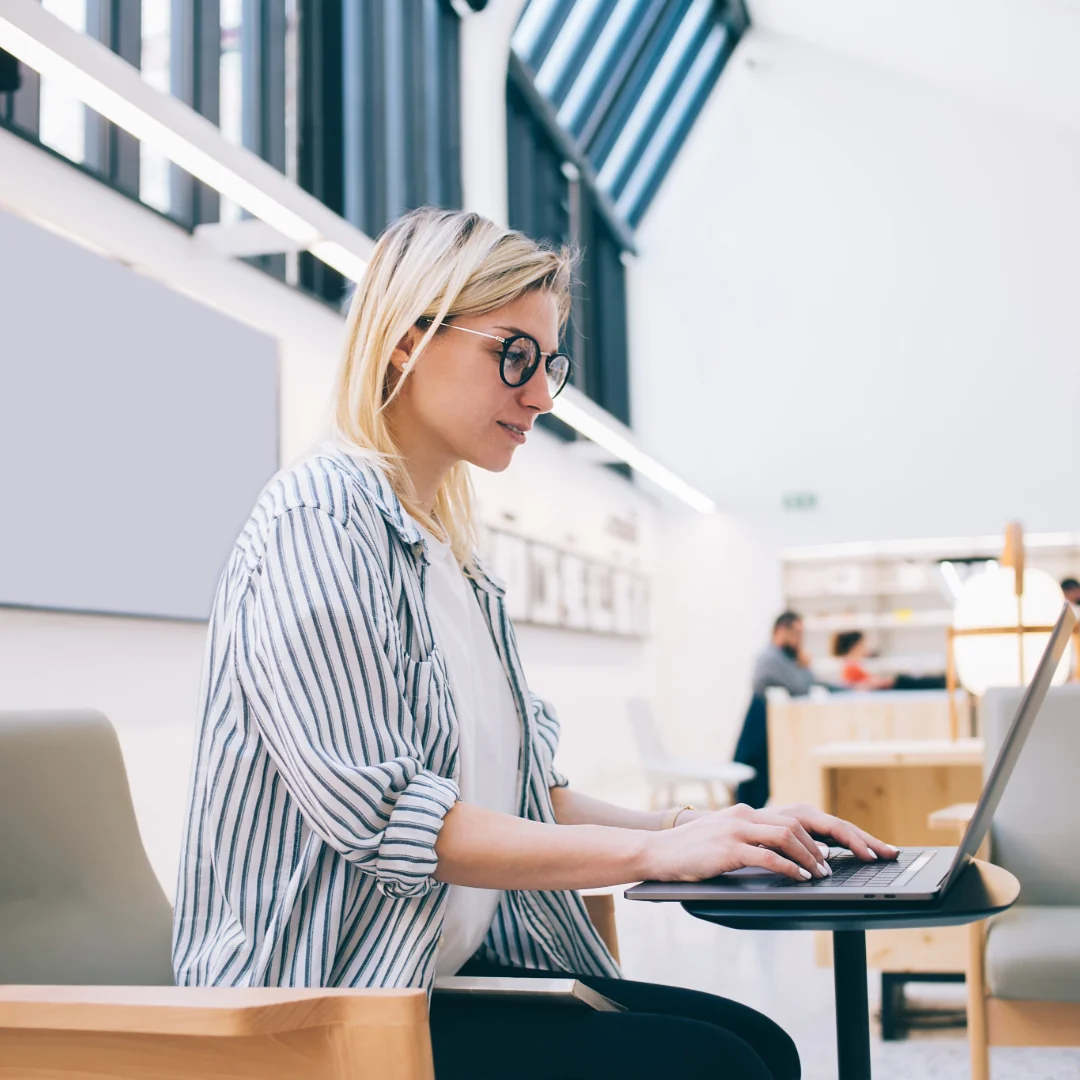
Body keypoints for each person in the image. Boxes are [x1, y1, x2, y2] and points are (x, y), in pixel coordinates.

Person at [172, 208, 897, 1080]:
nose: (542, 396)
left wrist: (698, 826)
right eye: (513, 356)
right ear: (406, 341)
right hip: (326, 1005)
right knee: (719, 1065)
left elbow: (526, 796)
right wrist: (656, 852)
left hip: (437, 975)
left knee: (759, 1046)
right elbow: (391, 819)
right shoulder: (319, 523)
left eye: (549, 364)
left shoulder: (454, 558)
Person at [751, 611, 832, 697]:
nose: (799, 639)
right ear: (781, 630)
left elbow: (812, 682)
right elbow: (801, 688)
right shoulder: (770, 658)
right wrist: (804, 665)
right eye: (796, 633)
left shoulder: (787, 656)